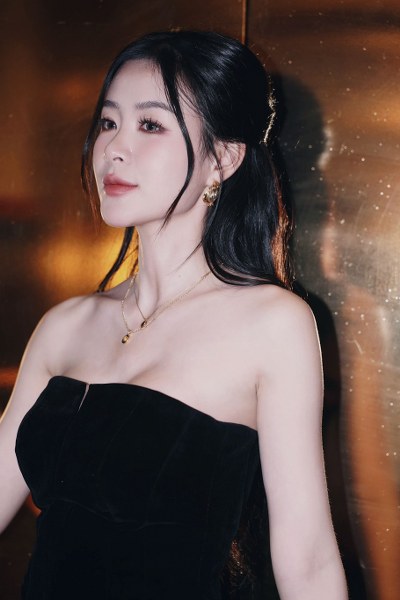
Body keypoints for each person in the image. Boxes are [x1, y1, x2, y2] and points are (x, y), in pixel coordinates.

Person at [0, 30, 348, 599]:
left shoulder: (272, 324)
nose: (113, 148)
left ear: (222, 160)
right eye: (108, 122)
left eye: (150, 125)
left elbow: (308, 561)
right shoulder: (64, 325)